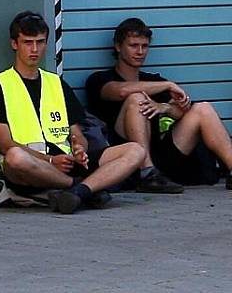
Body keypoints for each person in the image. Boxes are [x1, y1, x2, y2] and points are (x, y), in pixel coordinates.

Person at [0, 11, 144, 214]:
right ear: (14, 44)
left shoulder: (56, 82)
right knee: (15, 157)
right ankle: (81, 187)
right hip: (32, 168)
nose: (34, 49)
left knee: (135, 150)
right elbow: (5, 144)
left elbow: (76, 133)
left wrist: (79, 150)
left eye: (40, 42)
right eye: (27, 42)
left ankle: (80, 192)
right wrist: (50, 161)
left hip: (66, 161)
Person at [85, 17, 232, 192]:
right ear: (118, 46)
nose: (140, 51)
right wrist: (168, 85)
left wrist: (165, 108)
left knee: (203, 108)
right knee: (136, 98)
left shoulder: (153, 80)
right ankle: (146, 174)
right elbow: (122, 92)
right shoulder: (99, 79)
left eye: (145, 46)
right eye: (133, 45)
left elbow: (183, 110)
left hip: (161, 157)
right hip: (125, 158)